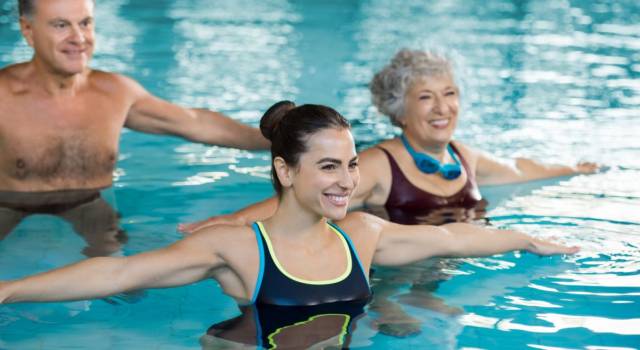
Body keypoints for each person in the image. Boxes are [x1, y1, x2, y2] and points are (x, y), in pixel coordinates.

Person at [0, 102, 578, 347]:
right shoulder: (237, 249)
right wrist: (8, 291)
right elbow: (117, 275)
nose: (346, 181)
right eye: (328, 166)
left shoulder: (361, 235)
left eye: (351, 165)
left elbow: (454, 239)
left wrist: (527, 239)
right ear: (285, 169)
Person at [179, 48, 598, 229]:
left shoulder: (463, 156)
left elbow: (519, 170)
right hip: (392, 277)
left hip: (453, 264)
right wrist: (229, 221)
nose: (442, 108)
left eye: (450, 94)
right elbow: (294, 202)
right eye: (426, 98)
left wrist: (576, 170)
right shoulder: (379, 164)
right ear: (399, 109)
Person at [0, 0, 269, 253]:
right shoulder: (4, 95)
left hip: (90, 203)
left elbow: (196, 123)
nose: (79, 38)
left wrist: (274, 139)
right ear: (28, 29)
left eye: (85, 23)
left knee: (128, 289)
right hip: (9, 204)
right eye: (61, 25)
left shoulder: (115, 93)